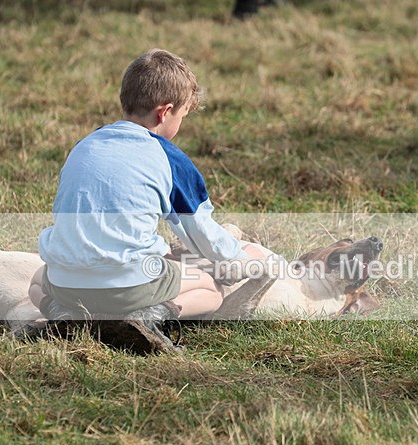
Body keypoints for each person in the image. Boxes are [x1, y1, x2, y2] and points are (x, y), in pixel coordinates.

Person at [29, 48, 265, 326]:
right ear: (164, 113)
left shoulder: (84, 146)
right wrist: (242, 258)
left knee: (34, 282)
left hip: (67, 286)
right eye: (182, 116)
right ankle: (151, 315)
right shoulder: (168, 157)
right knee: (211, 290)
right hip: (129, 287)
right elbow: (201, 234)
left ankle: (62, 315)